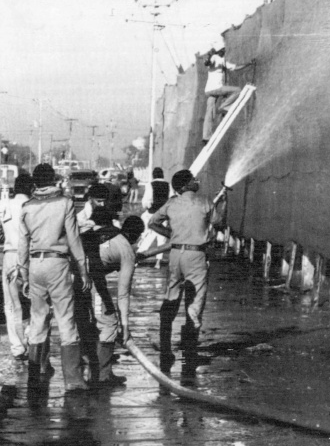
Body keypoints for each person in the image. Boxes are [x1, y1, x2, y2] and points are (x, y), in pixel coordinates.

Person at [18, 164, 91, 391]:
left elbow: (23, 244)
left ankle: (36, 373)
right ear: (53, 179)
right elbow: (74, 240)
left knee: (38, 319)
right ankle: (73, 380)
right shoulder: (65, 203)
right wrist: (82, 269)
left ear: (35, 183)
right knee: (65, 319)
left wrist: (23, 273)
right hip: (57, 263)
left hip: (35, 264)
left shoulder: (27, 207)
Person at [150, 169, 226, 372]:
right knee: (194, 305)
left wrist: (172, 235)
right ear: (186, 185)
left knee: (171, 298)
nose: (197, 181)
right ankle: (188, 358)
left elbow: (152, 222)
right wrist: (223, 203)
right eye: (193, 179)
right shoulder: (204, 202)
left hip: (175, 255)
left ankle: (165, 352)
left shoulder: (171, 204)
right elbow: (219, 223)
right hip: (196, 256)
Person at [75, 207, 144, 387]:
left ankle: (84, 370)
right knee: (109, 323)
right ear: (136, 235)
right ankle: (102, 376)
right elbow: (123, 293)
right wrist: (125, 326)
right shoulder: (125, 247)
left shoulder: (91, 234)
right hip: (90, 282)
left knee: (83, 325)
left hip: (69, 279)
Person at [0, 174, 33, 360]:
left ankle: (17, 348)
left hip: (9, 256)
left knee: (11, 305)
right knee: (33, 302)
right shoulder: (32, 206)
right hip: (29, 257)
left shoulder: (4, 205)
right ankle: (31, 339)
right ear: (31, 188)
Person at [202, 42, 254, 143]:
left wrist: (208, 60)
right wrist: (249, 63)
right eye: (224, 50)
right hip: (216, 89)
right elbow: (234, 67)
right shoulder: (217, 58)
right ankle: (224, 107)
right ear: (220, 51)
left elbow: (231, 67)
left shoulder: (218, 59)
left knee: (209, 112)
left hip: (208, 91)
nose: (225, 52)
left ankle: (206, 136)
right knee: (238, 90)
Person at [139, 167, 170, 269]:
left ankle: (139, 257)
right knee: (162, 238)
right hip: (163, 214)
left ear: (153, 175)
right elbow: (171, 199)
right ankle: (158, 262)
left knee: (147, 235)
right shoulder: (168, 185)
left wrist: (147, 207)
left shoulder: (150, 185)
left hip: (152, 213)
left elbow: (146, 200)